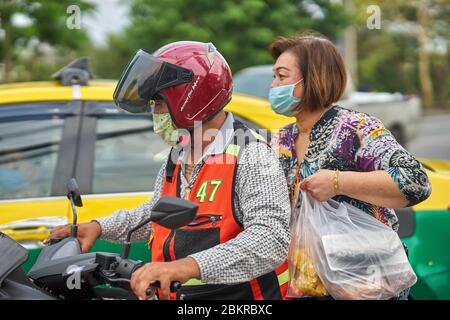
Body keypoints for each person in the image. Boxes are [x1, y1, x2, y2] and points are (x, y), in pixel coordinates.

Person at [47, 41, 291, 300]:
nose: (155, 113)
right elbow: (154, 213)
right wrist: (99, 227)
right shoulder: (180, 152)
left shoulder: (251, 154)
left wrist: (187, 267)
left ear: (190, 99)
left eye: (159, 103)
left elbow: (270, 238)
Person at [268, 32, 432, 300]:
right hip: (306, 285)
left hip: (367, 285)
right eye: (274, 76)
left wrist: (337, 182)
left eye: (282, 76)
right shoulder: (278, 141)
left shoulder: (356, 129)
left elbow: (415, 182)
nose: (273, 85)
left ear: (313, 78)